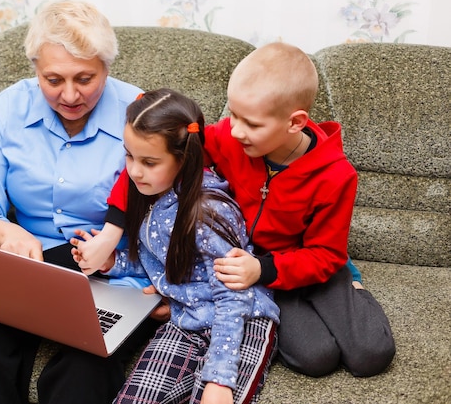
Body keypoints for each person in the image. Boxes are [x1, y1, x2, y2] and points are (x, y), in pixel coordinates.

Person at [72, 42, 395, 379]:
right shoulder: (228, 137)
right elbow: (147, 163)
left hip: (309, 263)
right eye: (233, 115)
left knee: (370, 355)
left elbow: (326, 253)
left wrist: (262, 270)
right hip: (258, 270)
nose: (236, 130)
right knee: (316, 358)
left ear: (295, 122)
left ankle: (353, 286)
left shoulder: (336, 176)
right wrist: (112, 233)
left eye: (251, 124)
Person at [0, 0, 160, 404]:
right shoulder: (9, 109)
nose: (70, 94)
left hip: (113, 272)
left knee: (85, 373)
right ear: (35, 69)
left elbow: (171, 212)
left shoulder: (141, 114)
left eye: (85, 78)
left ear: (107, 67)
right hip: (32, 267)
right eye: (53, 79)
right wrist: (6, 231)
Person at [74, 88, 279, 404]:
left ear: (183, 159)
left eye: (149, 162)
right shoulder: (148, 195)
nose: (134, 171)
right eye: (129, 156)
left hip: (242, 319)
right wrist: (114, 264)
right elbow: (159, 258)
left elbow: (232, 294)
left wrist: (220, 379)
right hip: (185, 319)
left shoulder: (208, 213)